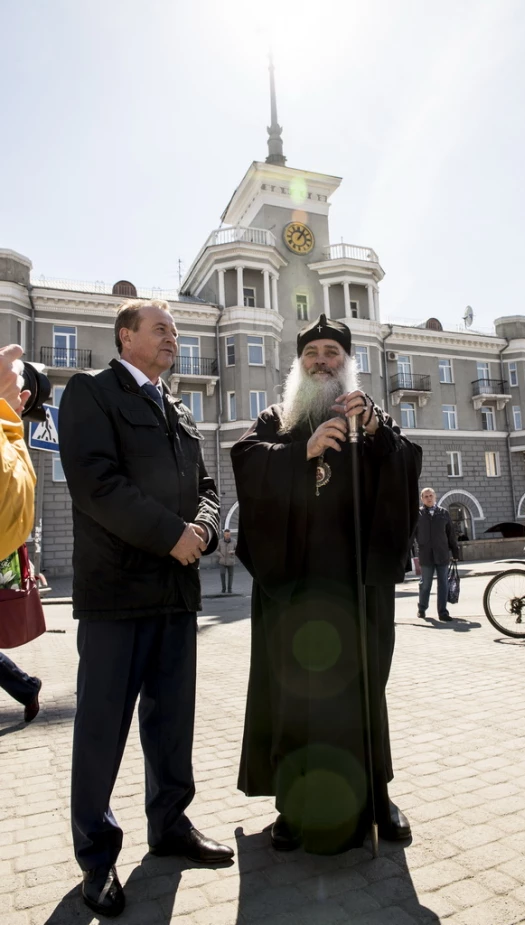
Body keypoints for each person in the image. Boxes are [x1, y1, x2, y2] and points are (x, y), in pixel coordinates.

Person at [59, 300, 233, 918]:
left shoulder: (178, 409)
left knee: (172, 723)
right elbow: (96, 484)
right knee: (102, 729)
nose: (173, 338)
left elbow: (208, 489)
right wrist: (171, 534)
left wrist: (205, 529)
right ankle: (97, 856)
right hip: (117, 597)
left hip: (175, 596)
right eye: (162, 329)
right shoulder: (91, 393)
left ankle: (170, 826)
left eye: (176, 331)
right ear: (126, 335)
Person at [231, 314, 422, 855]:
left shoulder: (370, 421)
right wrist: (303, 452)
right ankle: (293, 806)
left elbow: (408, 468)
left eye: (332, 353)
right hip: (294, 590)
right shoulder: (277, 420)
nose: (321, 360)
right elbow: (246, 463)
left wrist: (380, 435)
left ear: (347, 364)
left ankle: (377, 796)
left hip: (358, 589)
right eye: (312, 352)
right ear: (298, 364)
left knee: (364, 693)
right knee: (295, 696)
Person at [0, 344, 42, 723]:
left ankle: (26, 687)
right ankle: (26, 687)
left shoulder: (9, 432)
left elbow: (14, 516)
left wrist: (5, 415)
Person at [415, 487, 459, 622]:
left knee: (443, 584)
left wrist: (455, 551)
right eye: (426, 496)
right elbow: (411, 535)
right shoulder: (418, 514)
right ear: (422, 499)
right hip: (426, 555)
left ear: (435, 497)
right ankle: (422, 608)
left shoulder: (443, 513)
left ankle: (443, 612)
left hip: (442, 554)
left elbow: (450, 534)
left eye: (431, 496)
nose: (429, 498)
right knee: (425, 584)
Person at [217, 528, 236, 593]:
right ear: (224, 535)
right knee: (222, 574)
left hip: (231, 561)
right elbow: (217, 550)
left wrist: (233, 552)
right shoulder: (220, 541)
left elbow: (238, 550)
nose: (228, 536)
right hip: (222, 561)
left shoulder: (234, 541)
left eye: (229, 535)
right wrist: (220, 555)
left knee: (230, 575)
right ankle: (223, 589)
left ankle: (230, 589)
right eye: (226, 535)